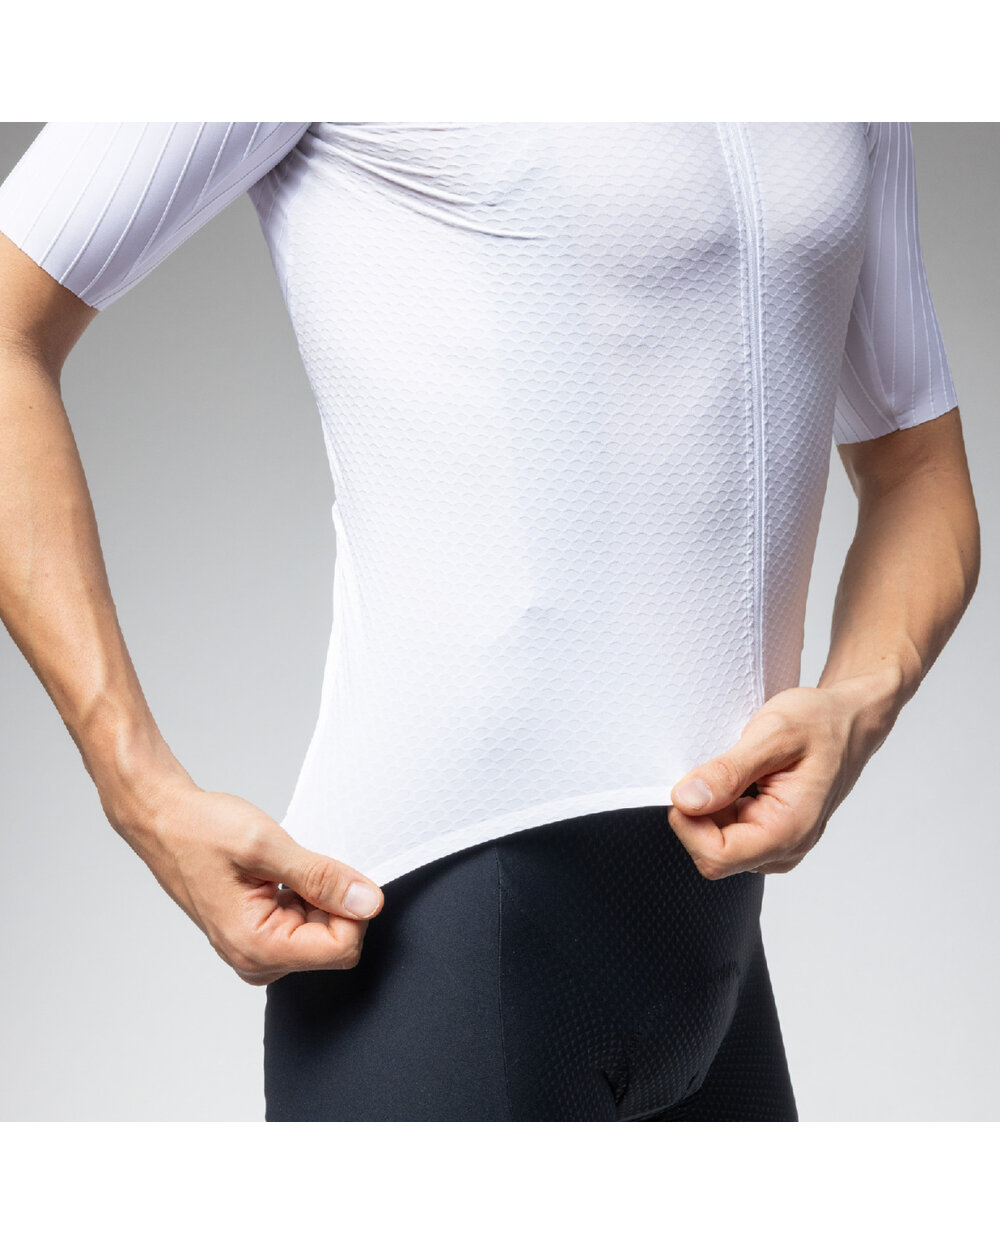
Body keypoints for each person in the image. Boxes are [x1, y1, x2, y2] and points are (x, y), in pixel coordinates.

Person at [0, 122, 979, 1121]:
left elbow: (917, 469)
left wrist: (856, 701)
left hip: (711, 954)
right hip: (437, 935)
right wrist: (141, 791)